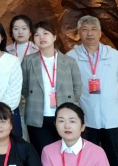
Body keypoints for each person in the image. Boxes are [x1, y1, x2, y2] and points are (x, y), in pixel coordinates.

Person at [71, 15, 118, 166]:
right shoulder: (71, 56)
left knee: (113, 162)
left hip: (111, 118)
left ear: (100, 32)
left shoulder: (113, 55)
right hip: (87, 120)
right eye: (85, 29)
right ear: (79, 33)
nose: (89, 33)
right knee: (86, 164)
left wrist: (106, 98)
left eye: (93, 29)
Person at [21, 21, 82, 155]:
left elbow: (77, 87)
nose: (41, 37)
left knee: (65, 153)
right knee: (43, 154)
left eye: (45, 33)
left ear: (54, 37)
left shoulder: (69, 61)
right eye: (37, 35)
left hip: (64, 116)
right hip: (38, 116)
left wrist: (69, 102)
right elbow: (24, 87)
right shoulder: (28, 61)